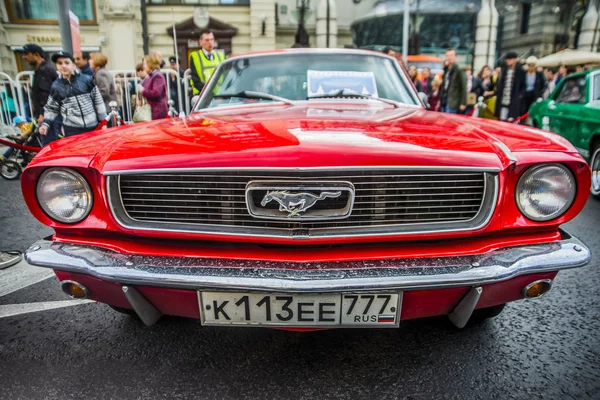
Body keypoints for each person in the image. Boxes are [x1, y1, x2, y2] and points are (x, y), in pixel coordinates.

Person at [39, 51, 106, 137]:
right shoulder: (56, 86)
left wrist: (103, 122)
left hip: (93, 126)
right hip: (72, 130)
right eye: (59, 63)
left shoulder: (87, 80)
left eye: (67, 63)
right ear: (57, 66)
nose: (63, 66)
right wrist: (45, 124)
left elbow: (98, 102)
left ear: (73, 65)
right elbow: (52, 108)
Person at [21, 43, 59, 145]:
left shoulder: (44, 70)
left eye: (26, 54)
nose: (24, 57)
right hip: (48, 114)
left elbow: (46, 94)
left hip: (48, 115)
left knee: (49, 145)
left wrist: (43, 114)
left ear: (36, 54)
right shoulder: (41, 70)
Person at [190, 29, 226, 95]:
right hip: (203, 95)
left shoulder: (221, 55)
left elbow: (226, 74)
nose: (210, 42)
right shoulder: (195, 57)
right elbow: (195, 79)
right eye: (207, 40)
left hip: (221, 94)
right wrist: (208, 91)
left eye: (212, 39)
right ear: (200, 42)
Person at [495, 51, 526, 121]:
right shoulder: (504, 70)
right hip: (504, 100)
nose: (508, 61)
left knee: (513, 120)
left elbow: (523, 86)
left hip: (514, 101)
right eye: (507, 59)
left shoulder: (520, 71)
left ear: (515, 59)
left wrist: (519, 96)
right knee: (502, 119)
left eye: (510, 59)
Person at [138, 54, 167, 120]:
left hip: (157, 111)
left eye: (145, 63)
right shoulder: (150, 76)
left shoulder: (157, 76)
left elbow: (156, 93)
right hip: (152, 110)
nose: (143, 66)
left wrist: (143, 91)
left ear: (150, 64)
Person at [438, 48, 467, 114]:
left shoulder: (459, 69)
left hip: (453, 100)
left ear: (455, 56)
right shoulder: (446, 70)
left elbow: (464, 87)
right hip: (444, 99)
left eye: (451, 55)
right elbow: (443, 85)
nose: (449, 57)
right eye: (447, 55)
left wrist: (463, 103)